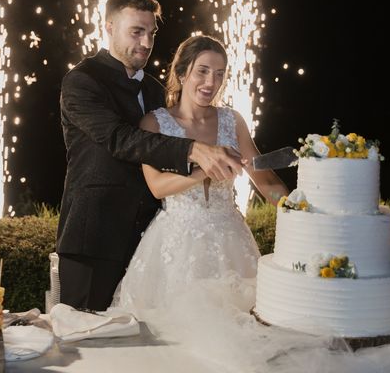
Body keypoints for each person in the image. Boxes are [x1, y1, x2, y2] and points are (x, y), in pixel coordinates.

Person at [56, 0, 244, 311]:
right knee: (86, 342)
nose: (145, 42)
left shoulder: (154, 90)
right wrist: (194, 151)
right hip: (95, 237)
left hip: (151, 243)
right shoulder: (82, 81)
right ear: (109, 27)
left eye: (151, 33)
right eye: (136, 32)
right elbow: (120, 139)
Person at [113, 34, 289, 313]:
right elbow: (157, 187)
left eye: (219, 74)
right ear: (182, 73)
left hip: (231, 242)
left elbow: (266, 180)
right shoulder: (154, 123)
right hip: (177, 245)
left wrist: (295, 210)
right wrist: (203, 171)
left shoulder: (233, 120)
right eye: (203, 71)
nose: (211, 83)